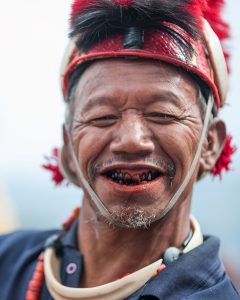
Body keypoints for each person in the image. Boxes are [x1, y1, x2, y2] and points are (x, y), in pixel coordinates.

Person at [0, 0, 239, 299]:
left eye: (163, 113)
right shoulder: (7, 263)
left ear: (210, 145)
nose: (131, 139)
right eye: (102, 117)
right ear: (68, 151)